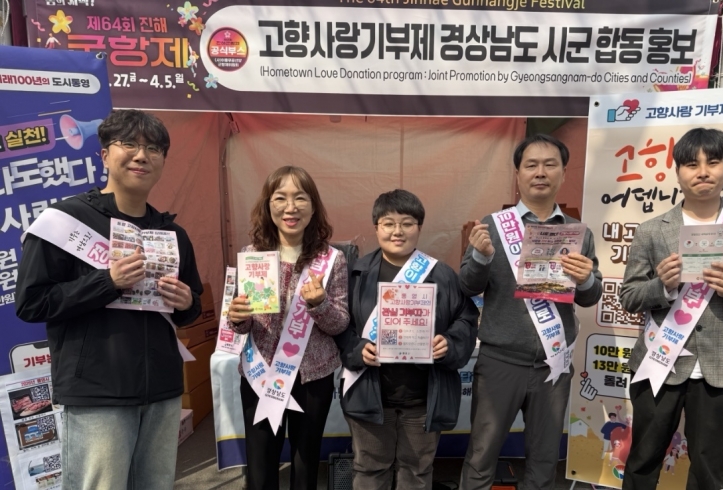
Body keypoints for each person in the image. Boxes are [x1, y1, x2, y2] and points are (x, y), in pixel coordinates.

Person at [15, 109, 203, 489]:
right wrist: (107, 282)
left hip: (163, 390)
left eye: (154, 149)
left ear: (163, 161)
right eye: (129, 144)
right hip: (97, 393)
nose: (141, 155)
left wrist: (187, 303)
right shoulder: (65, 220)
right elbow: (31, 302)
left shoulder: (173, 233)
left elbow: (190, 307)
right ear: (104, 155)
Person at [620, 128, 723, 490]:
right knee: (641, 463)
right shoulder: (652, 231)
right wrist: (662, 285)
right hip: (659, 365)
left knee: (709, 472)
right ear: (677, 172)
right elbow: (630, 296)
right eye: (691, 164)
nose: (702, 172)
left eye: (712, 162)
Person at [460, 134, 602, 490]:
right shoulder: (493, 225)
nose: (540, 172)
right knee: (481, 456)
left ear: (563, 173)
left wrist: (585, 279)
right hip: (500, 362)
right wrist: (480, 257)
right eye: (531, 165)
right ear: (518, 173)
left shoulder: (578, 232)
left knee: (543, 460)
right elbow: (467, 286)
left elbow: (590, 296)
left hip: (553, 365)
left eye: (550, 165)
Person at [335, 189, 478, 490]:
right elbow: (339, 324)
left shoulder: (442, 274)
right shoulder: (356, 274)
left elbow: (466, 318)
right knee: (370, 471)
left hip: (424, 398)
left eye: (407, 223)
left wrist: (450, 343)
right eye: (388, 223)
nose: (397, 231)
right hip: (370, 392)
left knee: (417, 472)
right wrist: (357, 349)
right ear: (376, 228)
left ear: (419, 227)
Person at [227, 166, 349, 490]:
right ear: (268, 205)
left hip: (312, 378)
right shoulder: (252, 255)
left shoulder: (332, 259)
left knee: (305, 465)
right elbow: (241, 325)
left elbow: (340, 323)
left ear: (313, 206)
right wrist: (237, 317)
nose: (290, 207)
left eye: (300, 198)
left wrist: (320, 304)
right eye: (280, 198)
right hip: (259, 374)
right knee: (260, 467)